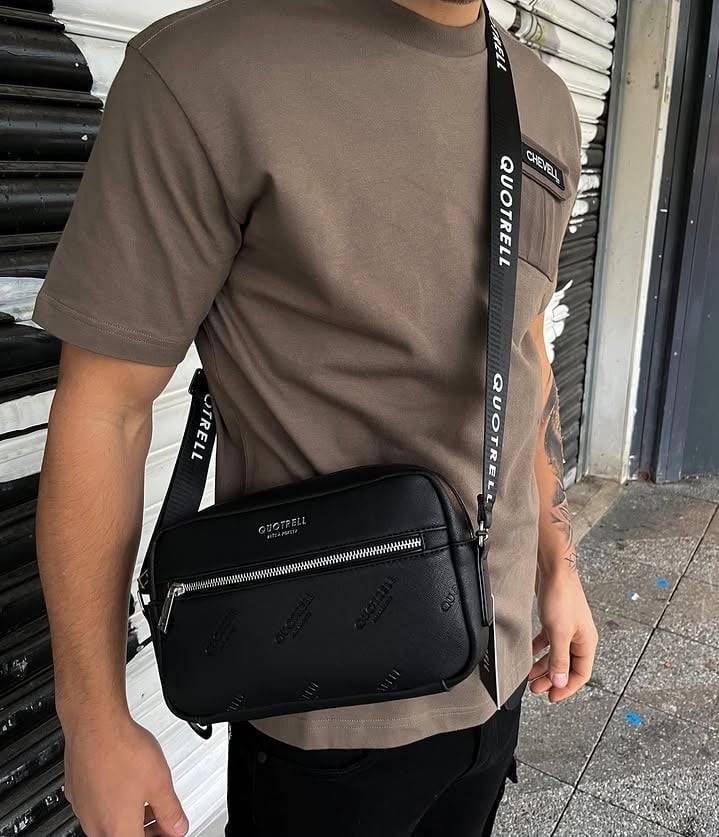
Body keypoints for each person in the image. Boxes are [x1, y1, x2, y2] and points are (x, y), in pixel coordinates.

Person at [31, 0, 599, 835]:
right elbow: (104, 410)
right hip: (328, 707)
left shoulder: (541, 97)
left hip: (499, 671)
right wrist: (93, 719)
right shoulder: (205, 71)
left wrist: (557, 557)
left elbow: (524, 354)